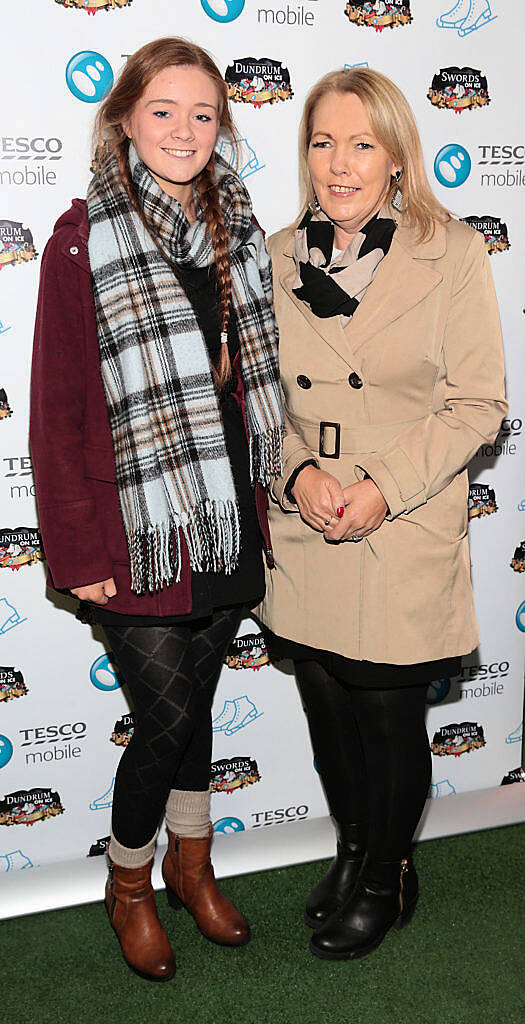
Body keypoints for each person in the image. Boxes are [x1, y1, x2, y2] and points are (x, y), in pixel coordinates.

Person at [30, 37, 283, 982]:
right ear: (125, 117)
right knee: (167, 717)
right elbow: (56, 412)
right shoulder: (82, 238)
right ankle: (129, 884)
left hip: (223, 514)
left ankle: (193, 863)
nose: (184, 130)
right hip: (134, 529)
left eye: (204, 114)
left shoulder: (240, 231)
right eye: (164, 110)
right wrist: (77, 545)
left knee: (199, 706)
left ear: (222, 128)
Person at [256, 67, 507, 961]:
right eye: (322, 141)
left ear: (397, 155)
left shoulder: (453, 251)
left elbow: (478, 404)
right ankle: (356, 845)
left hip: (403, 514)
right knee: (325, 696)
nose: (339, 162)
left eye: (361, 143)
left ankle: (385, 874)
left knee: (387, 711)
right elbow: (255, 406)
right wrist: (297, 476)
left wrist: (380, 488)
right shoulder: (275, 255)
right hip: (308, 515)